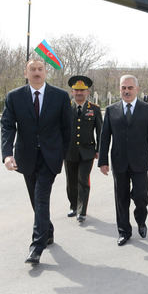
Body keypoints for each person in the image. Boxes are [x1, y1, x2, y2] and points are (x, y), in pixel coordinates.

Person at [1, 57, 72, 264]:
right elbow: (7, 126)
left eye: (40, 69)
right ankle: (47, 230)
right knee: (35, 199)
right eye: (32, 69)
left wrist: (62, 155)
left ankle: (36, 247)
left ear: (46, 72)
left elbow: (66, 129)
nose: (37, 73)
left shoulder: (59, 96)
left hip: (50, 157)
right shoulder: (14, 97)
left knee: (41, 198)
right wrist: (7, 154)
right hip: (26, 157)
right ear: (26, 73)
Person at [99, 74, 148, 246]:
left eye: (130, 88)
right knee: (121, 198)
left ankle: (141, 220)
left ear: (137, 89)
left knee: (140, 196)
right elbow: (105, 138)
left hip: (140, 161)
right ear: (119, 89)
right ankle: (124, 231)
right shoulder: (111, 110)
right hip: (119, 162)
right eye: (123, 88)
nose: (126, 91)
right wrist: (102, 161)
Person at [65, 75, 102, 223]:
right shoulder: (66, 108)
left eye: (82, 90)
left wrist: (100, 150)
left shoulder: (94, 109)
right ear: (72, 92)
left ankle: (82, 210)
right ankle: (73, 206)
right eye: (76, 90)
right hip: (69, 151)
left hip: (87, 152)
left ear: (88, 92)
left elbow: (101, 132)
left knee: (83, 180)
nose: (79, 93)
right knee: (71, 181)